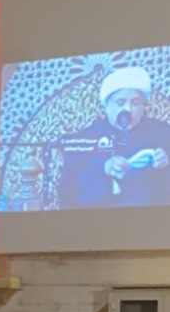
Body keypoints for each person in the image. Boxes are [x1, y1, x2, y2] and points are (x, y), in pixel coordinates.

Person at [59, 66, 170, 210]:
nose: (127, 109)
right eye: (120, 103)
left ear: (143, 106)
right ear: (107, 106)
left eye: (135, 103)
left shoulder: (163, 132)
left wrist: (165, 164)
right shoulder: (85, 138)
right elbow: (67, 192)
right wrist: (104, 168)